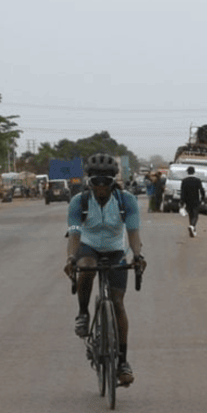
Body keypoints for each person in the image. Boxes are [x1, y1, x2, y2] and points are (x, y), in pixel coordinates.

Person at [64, 153, 146, 387]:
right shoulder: (78, 202)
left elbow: (133, 233)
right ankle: (83, 313)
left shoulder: (126, 201)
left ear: (112, 182)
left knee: (118, 303)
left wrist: (138, 256)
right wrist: (71, 258)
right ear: (89, 181)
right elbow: (74, 234)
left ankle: (122, 362)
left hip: (115, 250)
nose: (101, 187)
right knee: (87, 267)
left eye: (105, 182)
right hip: (87, 247)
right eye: (96, 182)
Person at [180, 166, 206, 237]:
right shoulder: (197, 180)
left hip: (187, 200)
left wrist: (182, 201)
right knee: (195, 214)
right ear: (194, 172)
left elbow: (182, 192)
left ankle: (192, 229)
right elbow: (201, 190)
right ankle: (192, 226)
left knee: (190, 214)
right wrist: (203, 198)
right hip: (195, 199)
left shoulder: (184, 181)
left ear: (187, 172)